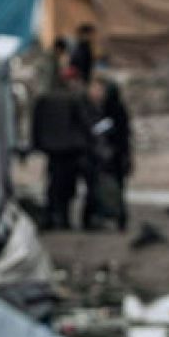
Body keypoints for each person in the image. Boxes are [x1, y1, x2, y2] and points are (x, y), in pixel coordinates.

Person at [31, 66, 93, 230]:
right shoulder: (75, 98)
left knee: (53, 184)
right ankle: (63, 218)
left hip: (51, 148)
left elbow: (36, 124)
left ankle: (52, 217)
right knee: (67, 186)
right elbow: (84, 123)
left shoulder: (44, 98)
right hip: (71, 149)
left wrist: (37, 144)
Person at [83, 76, 132, 231]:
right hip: (116, 155)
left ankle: (102, 218)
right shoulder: (117, 109)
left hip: (110, 156)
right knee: (114, 188)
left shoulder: (111, 110)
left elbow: (105, 130)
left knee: (102, 187)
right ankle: (116, 218)